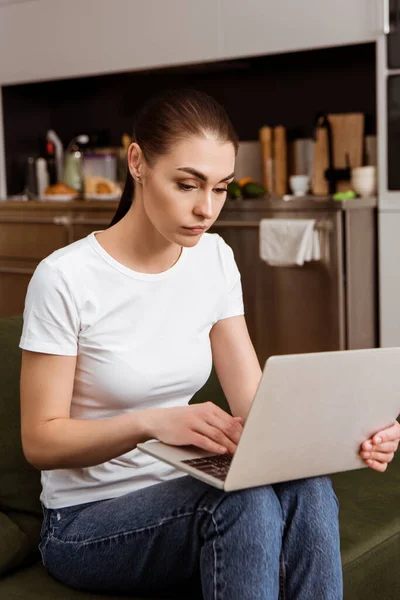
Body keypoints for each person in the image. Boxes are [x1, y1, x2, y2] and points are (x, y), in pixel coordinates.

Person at [19, 88, 400, 600]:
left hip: (193, 480)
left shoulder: (214, 258)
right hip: (86, 521)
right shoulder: (65, 278)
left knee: (307, 486)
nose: (206, 208)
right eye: (187, 184)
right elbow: (40, 442)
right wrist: (152, 422)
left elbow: (255, 403)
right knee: (241, 502)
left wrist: (350, 435)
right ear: (137, 162)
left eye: (220, 188)